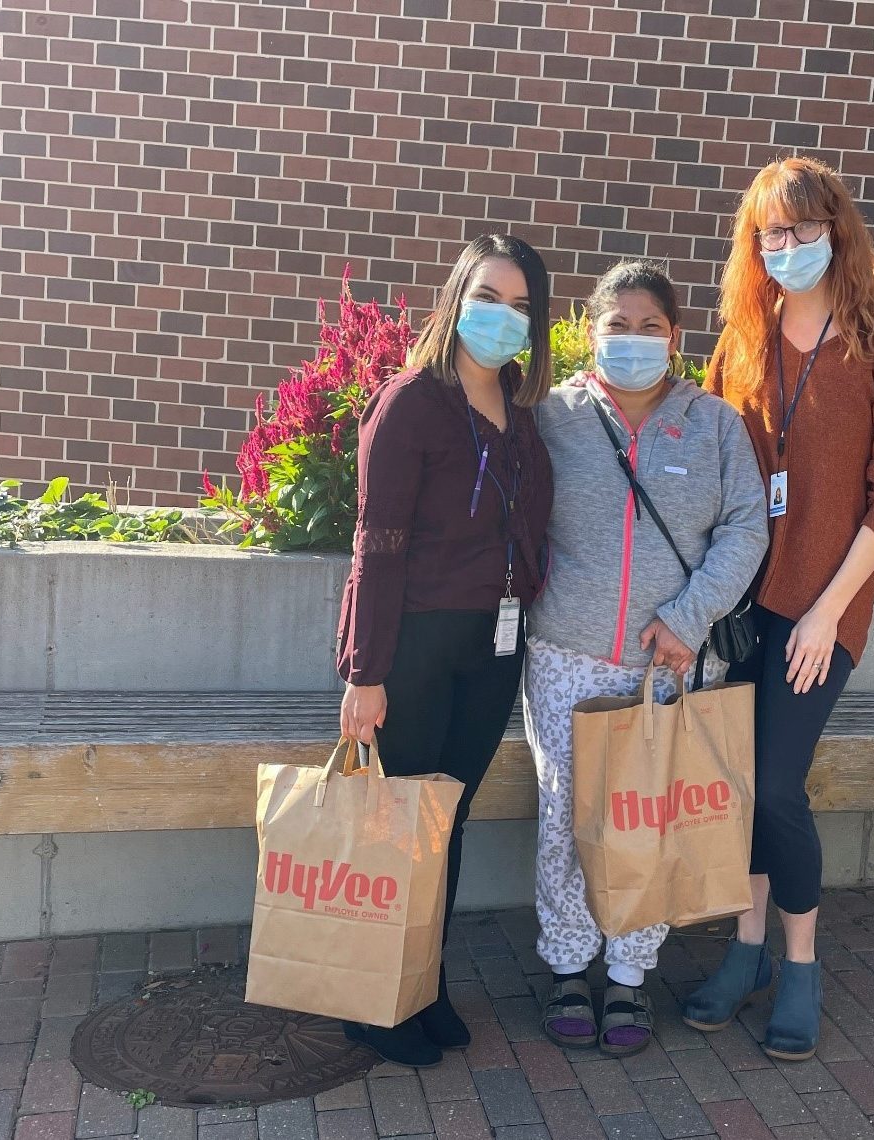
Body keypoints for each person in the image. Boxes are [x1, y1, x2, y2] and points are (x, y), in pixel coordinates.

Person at [683, 157, 874, 1060]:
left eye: (802, 229)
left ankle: (799, 964)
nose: (787, 248)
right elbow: (708, 469)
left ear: (838, 230)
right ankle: (745, 950)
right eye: (771, 234)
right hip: (742, 604)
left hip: (824, 609)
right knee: (742, 787)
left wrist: (829, 613)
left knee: (777, 788)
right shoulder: (740, 343)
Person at [523, 260, 769, 1058]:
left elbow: (744, 530)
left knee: (649, 821)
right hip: (568, 655)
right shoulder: (551, 416)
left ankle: (630, 974)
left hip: (669, 662)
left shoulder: (714, 425)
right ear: (591, 331)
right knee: (568, 818)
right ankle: (567, 967)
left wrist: (687, 619)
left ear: (676, 337)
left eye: (650, 326)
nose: (633, 340)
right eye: (616, 325)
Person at [334, 234, 555, 1068]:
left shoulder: (519, 414)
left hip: (492, 646)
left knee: (445, 821)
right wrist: (367, 671)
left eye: (522, 306)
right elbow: (375, 545)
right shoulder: (410, 404)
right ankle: (372, 1001)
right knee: (397, 826)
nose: (503, 317)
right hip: (417, 641)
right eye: (489, 297)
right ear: (458, 297)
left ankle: (421, 982)